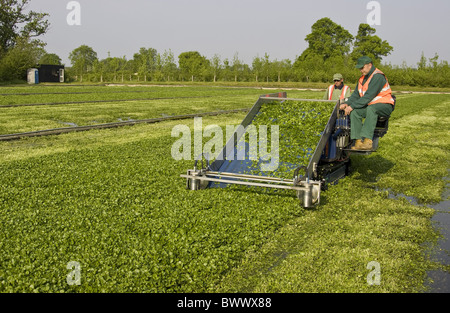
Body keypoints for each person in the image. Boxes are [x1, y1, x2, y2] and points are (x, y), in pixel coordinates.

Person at [339, 56, 395, 151]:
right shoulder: (362, 79)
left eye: (362, 68)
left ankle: (368, 141)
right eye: (360, 68)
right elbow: (356, 95)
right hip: (372, 105)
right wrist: (347, 103)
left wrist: (351, 106)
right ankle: (358, 141)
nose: (361, 70)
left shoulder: (378, 76)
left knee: (371, 109)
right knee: (355, 112)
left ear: (370, 65)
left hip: (385, 105)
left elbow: (368, 97)